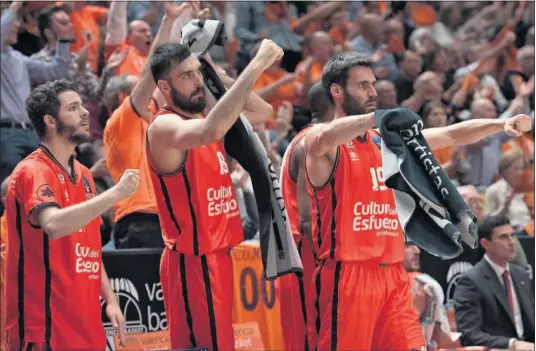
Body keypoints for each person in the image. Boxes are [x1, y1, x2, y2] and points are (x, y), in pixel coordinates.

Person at [303, 52, 532, 351]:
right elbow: (323, 138)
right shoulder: (321, 141)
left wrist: (501, 124)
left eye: (373, 84)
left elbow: (450, 134)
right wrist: (378, 118)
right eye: (363, 86)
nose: (373, 92)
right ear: (337, 91)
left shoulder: (383, 141)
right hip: (347, 275)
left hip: (393, 275)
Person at [145, 39, 282, 351]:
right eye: (186, 76)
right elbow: (211, 130)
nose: (196, 83)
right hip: (193, 260)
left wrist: (216, 77)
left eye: (197, 74)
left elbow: (263, 112)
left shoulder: (203, 119)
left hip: (217, 256)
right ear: (165, 87)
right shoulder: (166, 125)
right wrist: (256, 64)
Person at [3, 80, 140, 351]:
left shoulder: (85, 175)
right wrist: (114, 194)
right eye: (73, 108)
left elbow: (89, 249)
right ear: (50, 121)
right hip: (44, 326)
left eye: (82, 106)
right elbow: (53, 224)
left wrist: (111, 300)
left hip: (85, 323)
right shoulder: (33, 170)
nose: (85, 112)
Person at [279, 80, 334, 351]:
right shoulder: (310, 143)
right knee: (309, 337)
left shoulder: (310, 139)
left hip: (308, 252)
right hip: (307, 254)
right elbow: (306, 218)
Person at [454, 215, 535, 350]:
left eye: (512, 235)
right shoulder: (470, 281)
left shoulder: (520, 275)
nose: (512, 242)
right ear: (486, 244)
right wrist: (512, 344)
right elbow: (469, 334)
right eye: (503, 237)